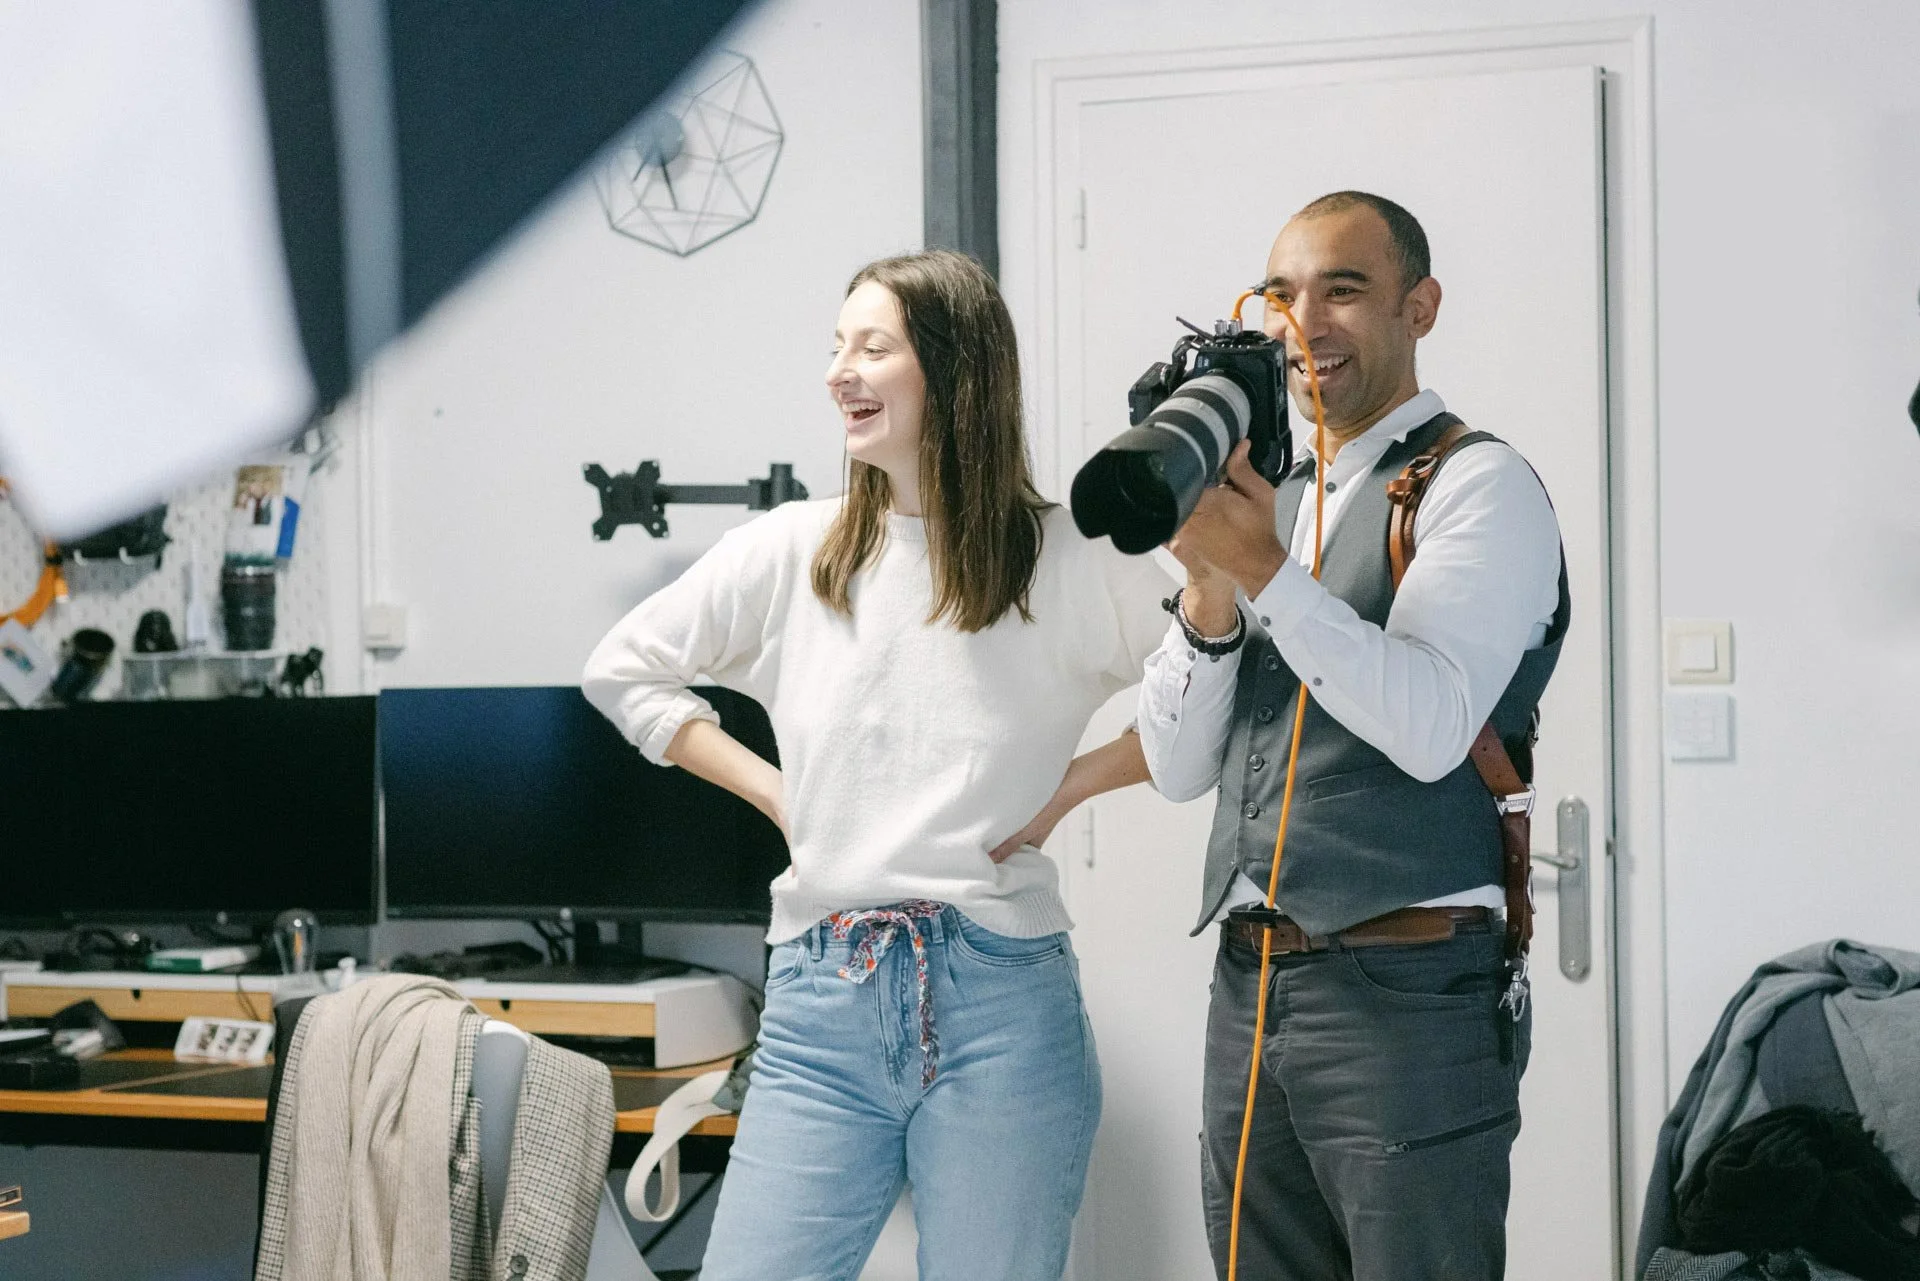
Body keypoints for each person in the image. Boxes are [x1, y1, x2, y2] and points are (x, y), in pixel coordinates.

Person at [582, 249, 1174, 1281]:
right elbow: (621, 670)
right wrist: (773, 791)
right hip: (821, 1002)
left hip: (1002, 1005)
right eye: (835, 347)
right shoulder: (796, 552)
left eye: (873, 346)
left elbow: (1220, 687)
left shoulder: (1075, 554)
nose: (839, 372)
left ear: (956, 373)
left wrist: (1075, 784)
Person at [1138, 191, 1569, 1279]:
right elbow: (1178, 767)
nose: (1305, 321)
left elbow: (1430, 729)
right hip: (1247, 987)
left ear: (1419, 307)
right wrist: (1209, 594)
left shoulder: (1479, 484)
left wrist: (1267, 571)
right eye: (1282, 293)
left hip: (1407, 995)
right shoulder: (1257, 498)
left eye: (1345, 289)